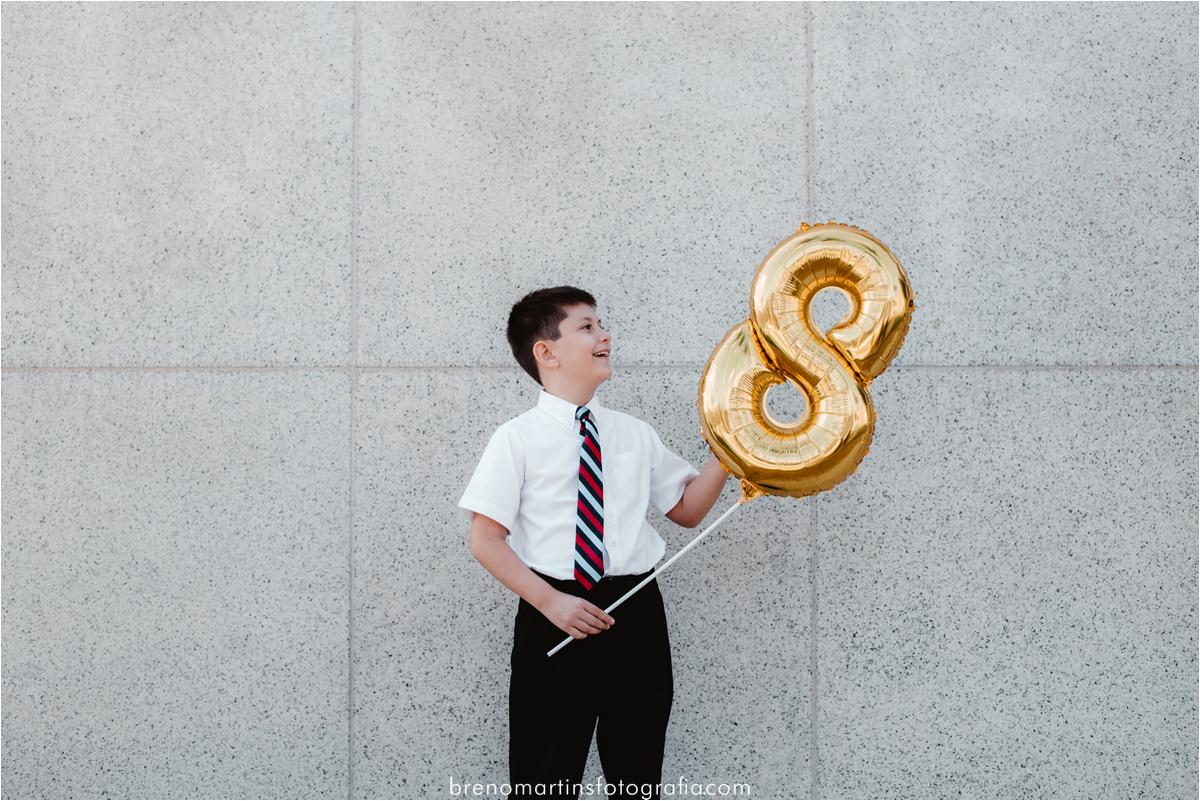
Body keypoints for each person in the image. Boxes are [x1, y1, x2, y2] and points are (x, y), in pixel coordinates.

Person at [459, 286, 728, 800]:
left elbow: (687, 511)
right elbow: (485, 539)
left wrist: (733, 452)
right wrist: (550, 602)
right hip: (554, 612)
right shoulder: (516, 438)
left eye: (600, 325)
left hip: (636, 609)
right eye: (587, 327)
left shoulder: (634, 433)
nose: (605, 335)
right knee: (545, 775)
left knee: (637, 771)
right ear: (547, 351)